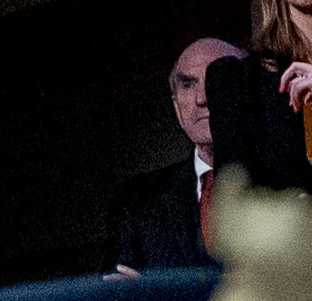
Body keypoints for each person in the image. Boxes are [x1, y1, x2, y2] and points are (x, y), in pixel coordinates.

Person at [104, 35, 246, 268]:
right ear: (177, 108)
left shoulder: (289, 182)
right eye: (188, 85)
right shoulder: (136, 202)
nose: (202, 98)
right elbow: (121, 294)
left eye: (217, 79)